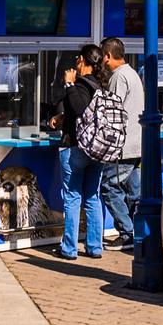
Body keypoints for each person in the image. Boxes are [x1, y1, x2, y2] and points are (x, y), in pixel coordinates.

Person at [53, 45, 105, 260]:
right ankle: (94, 247)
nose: (75, 60)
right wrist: (63, 117)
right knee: (93, 197)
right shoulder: (100, 84)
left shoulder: (81, 84)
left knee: (72, 198)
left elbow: (79, 108)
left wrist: (68, 83)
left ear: (83, 61)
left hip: (76, 147)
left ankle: (69, 248)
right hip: (97, 148)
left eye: (78, 57)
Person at [97, 36, 144, 251]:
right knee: (134, 192)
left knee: (109, 187)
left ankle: (127, 233)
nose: (102, 63)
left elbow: (112, 113)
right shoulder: (133, 73)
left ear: (107, 56)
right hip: (137, 143)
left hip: (122, 146)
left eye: (102, 58)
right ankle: (140, 233)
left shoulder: (118, 77)